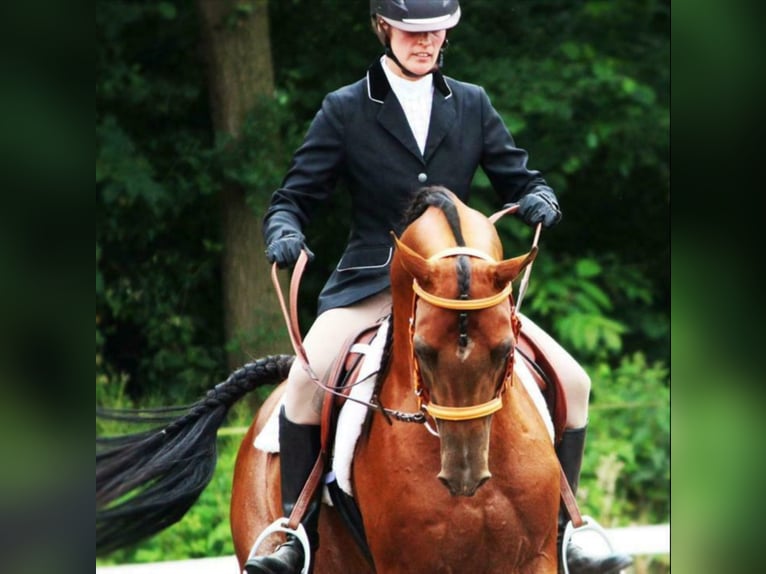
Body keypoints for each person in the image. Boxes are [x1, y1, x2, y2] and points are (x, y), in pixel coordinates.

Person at [245, 2, 633, 573]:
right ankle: (293, 532)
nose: (425, 42)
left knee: (574, 383)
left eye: (435, 31)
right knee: (304, 385)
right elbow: (294, 198)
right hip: (374, 284)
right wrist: (283, 229)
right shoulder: (347, 108)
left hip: (462, 291)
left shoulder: (471, 102)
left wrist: (537, 195)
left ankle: (568, 528)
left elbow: (518, 174)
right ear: (385, 28)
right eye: (412, 31)